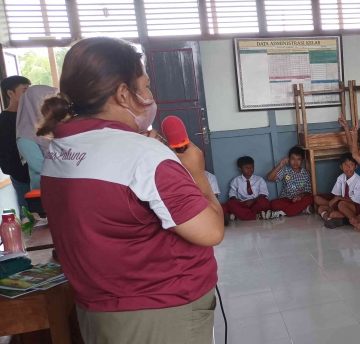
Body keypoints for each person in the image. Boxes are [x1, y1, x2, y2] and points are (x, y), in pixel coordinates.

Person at [37, 37, 223, 344]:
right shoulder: (144, 156)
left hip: (97, 308)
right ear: (124, 93)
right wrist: (196, 173)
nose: (150, 95)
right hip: (161, 312)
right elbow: (211, 231)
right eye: (146, 85)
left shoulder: (59, 150)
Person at [15, 85, 56, 192]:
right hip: (44, 189)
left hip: (63, 186)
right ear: (36, 103)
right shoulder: (25, 136)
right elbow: (40, 167)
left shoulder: (52, 126)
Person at [0, 76, 31, 209]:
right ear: (10, 94)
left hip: (39, 172)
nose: (29, 95)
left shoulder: (31, 115)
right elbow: (5, 152)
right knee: (28, 214)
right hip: (21, 176)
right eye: (24, 91)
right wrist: (19, 173)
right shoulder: (4, 120)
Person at [316, 153, 360, 228]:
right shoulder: (341, 178)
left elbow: (355, 201)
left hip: (358, 206)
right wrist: (330, 209)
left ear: (356, 166)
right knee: (323, 209)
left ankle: (356, 222)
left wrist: (338, 199)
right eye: (345, 165)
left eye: (351, 164)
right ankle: (329, 218)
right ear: (341, 167)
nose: (348, 167)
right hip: (345, 205)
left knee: (341, 204)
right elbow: (336, 196)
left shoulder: (359, 181)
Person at [267, 146, 313, 218]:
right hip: (286, 199)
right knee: (273, 204)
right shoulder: (286, 170)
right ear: (288, 159)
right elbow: (270, 177)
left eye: (298, 159)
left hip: (299, 200)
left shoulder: (306, 174)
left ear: (302, 160)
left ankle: (281, 213)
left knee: (309, 199)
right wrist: (280, 165)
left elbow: (308, 191)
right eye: (293, 159)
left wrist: (301, 195)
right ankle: (301, 210)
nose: (295, 162)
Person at [223, 156, 270, 221]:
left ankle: (241, 215)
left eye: (252, 167)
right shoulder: (236, 180)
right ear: (240, 169)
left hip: (255, 202)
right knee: (230, 204)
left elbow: (264, 193)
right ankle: (256, 215)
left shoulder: (259, 179)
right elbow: (232, 193)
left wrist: (253, 200)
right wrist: (236, 199)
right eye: (246, 167)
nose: (250, 169)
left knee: (265, 202)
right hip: (242, 203)